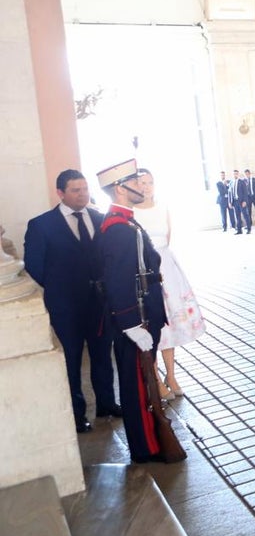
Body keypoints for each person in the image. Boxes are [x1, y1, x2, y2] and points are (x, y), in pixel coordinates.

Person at [23, 169, 117, 433]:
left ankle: (107, 404)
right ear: (60, 193)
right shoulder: (42, 225)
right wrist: (60, 290)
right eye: (76, 190)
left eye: (85, 189)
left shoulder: (100, 219)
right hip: (66, 307)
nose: (82, 194)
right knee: (72, 360)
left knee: (101, 356)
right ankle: (77, 415)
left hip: (98, 304)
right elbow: (34, 266)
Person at [95, 158, 173, 463]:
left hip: (143, 315)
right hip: (135, 319)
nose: (141, 186)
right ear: (119, 188)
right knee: (137, 387)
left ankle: (149, 442)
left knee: (142, 384)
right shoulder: (117, 228)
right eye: (134, 182)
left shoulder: (126, 221)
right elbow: (116, 279)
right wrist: (130, 324)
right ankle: (146, 448)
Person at [133, 169, 205, 400]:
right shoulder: (132, 212)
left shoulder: (163, 207)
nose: (146, 187)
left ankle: (171, 375)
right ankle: (154, 376)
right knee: (153, 324)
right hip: (146, 270)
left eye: (150, 182)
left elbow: (167, 238)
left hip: (167, 267)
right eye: (142, 183)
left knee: (170, 324)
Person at [231, 168, 252, 234]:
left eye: (236, 174)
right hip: (235, 202)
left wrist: (245, 201)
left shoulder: (242, 182)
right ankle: (239, 230)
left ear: (238, 174)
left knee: (245, 215)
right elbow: (230, 193)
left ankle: (249, 229)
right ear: (233, 175)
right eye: (234, 174)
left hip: (242, 202)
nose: (235, 175)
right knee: (237, 216)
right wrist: (230, 202)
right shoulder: (231, 183)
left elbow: (245, 193)